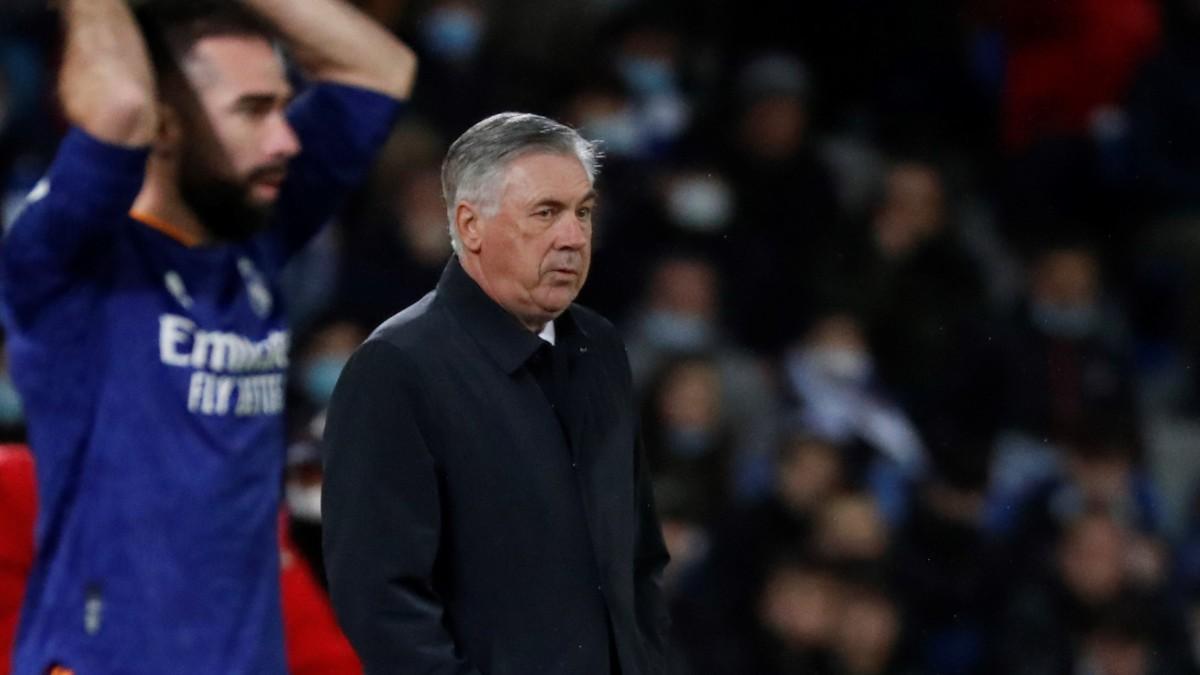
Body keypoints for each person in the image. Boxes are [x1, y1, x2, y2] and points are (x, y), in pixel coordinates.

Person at [0, 0, 413, 672]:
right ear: (167, 127)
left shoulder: (256, 232)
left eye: (283, 106)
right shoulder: (71, 260)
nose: (285, 138)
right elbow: (119, 105)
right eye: (254, 110)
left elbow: (378, 67)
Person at [322, 112, 672, 674]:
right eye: (546, 213)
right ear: (471, 224)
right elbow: (381, 599)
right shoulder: (397, 367)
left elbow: (638, 560)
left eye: (583, 212)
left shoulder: (600, 347)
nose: (574, 237)